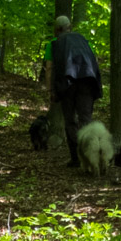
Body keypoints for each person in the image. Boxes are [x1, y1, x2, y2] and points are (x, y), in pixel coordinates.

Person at [47, 15, 102, 167]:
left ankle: (77, 158)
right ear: (69, 27)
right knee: (85, 120)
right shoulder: (83, 40)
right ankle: (93, 157)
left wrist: (51, 90)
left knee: (70, 121)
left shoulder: (54, 43)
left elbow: (50, 68)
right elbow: (94, 60)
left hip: (68, 84)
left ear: (57, 29)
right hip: (88, 81)